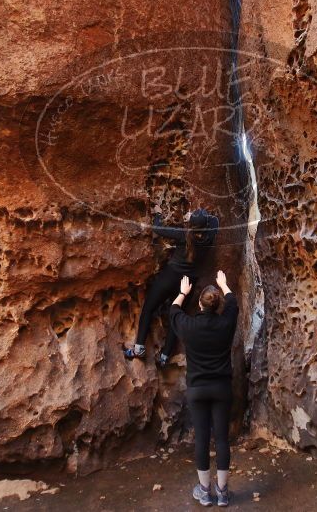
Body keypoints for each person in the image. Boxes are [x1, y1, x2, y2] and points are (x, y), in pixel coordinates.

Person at [170, 270, 238, 507]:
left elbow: (174, 310)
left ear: (199, 304)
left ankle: (205, 491)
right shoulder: (226, 322)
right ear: (218, 305)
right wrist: (224, 284)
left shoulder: (188, 325)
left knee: (202, 438)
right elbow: (233, 302)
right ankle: (222, 492)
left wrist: (182, 292)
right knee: (221, 439)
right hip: (221, 388)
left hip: (197, 389)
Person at [124, 205, 219, 367]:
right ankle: (164, 357)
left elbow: (158, 228)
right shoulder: (210, 236)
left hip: (170, 276)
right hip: (188, 283)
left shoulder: (184, 235)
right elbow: (215, 221)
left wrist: (158, 213)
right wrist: (197, 219)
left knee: (149, 307)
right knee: (176, 316)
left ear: (191, 224)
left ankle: (139, 348)